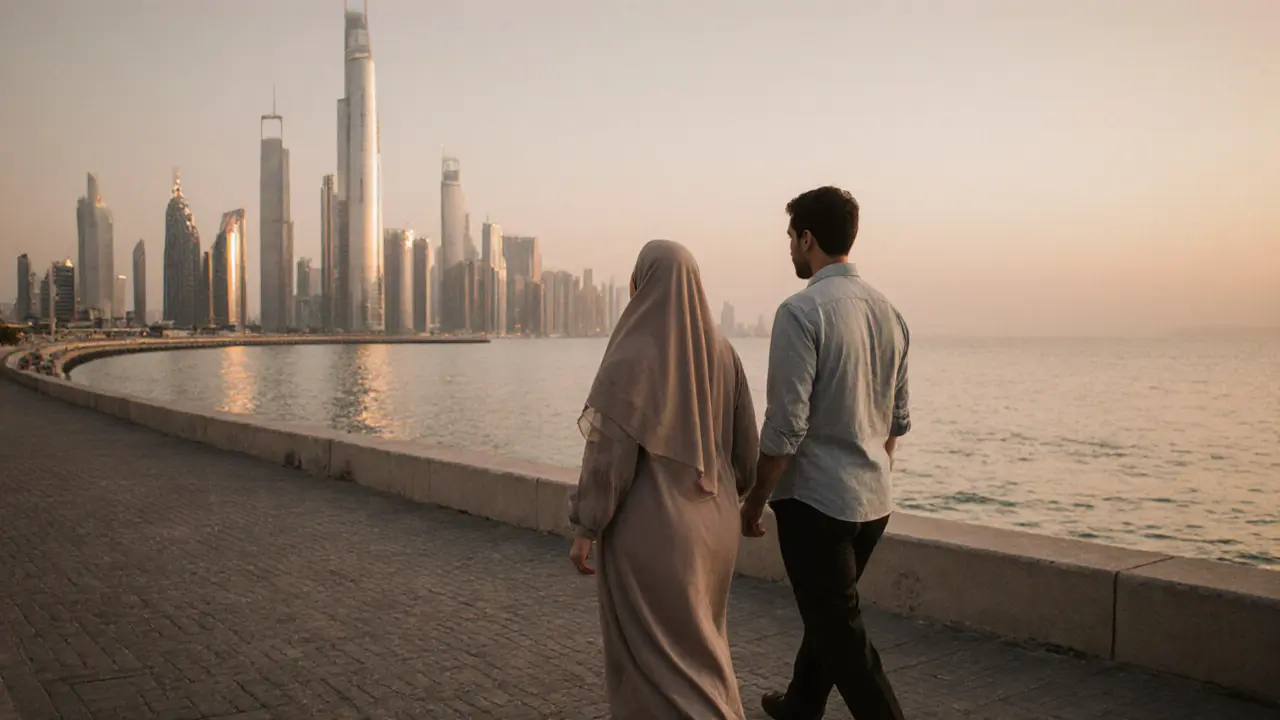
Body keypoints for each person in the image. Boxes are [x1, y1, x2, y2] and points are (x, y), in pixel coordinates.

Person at [568, 239, 760, 719]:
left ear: (643, 284)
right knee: (704, 651)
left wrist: (586, 527)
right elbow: (747, 457)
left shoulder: (633, 353)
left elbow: (608, 458)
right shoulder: (725, 354)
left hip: (652, 534)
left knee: (656, 664)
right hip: (715, 529)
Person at [741, 187, 911, 720]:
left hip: (818, 505)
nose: (790, 249)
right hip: (873, 502)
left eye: (791, 238)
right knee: (831, 619)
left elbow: (785, 428)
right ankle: (800, 705)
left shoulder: (800, 312)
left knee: (844, 637)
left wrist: (754, 502)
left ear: (808, 239)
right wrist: (871, 473)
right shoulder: (891, 314)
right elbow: (895, 423)